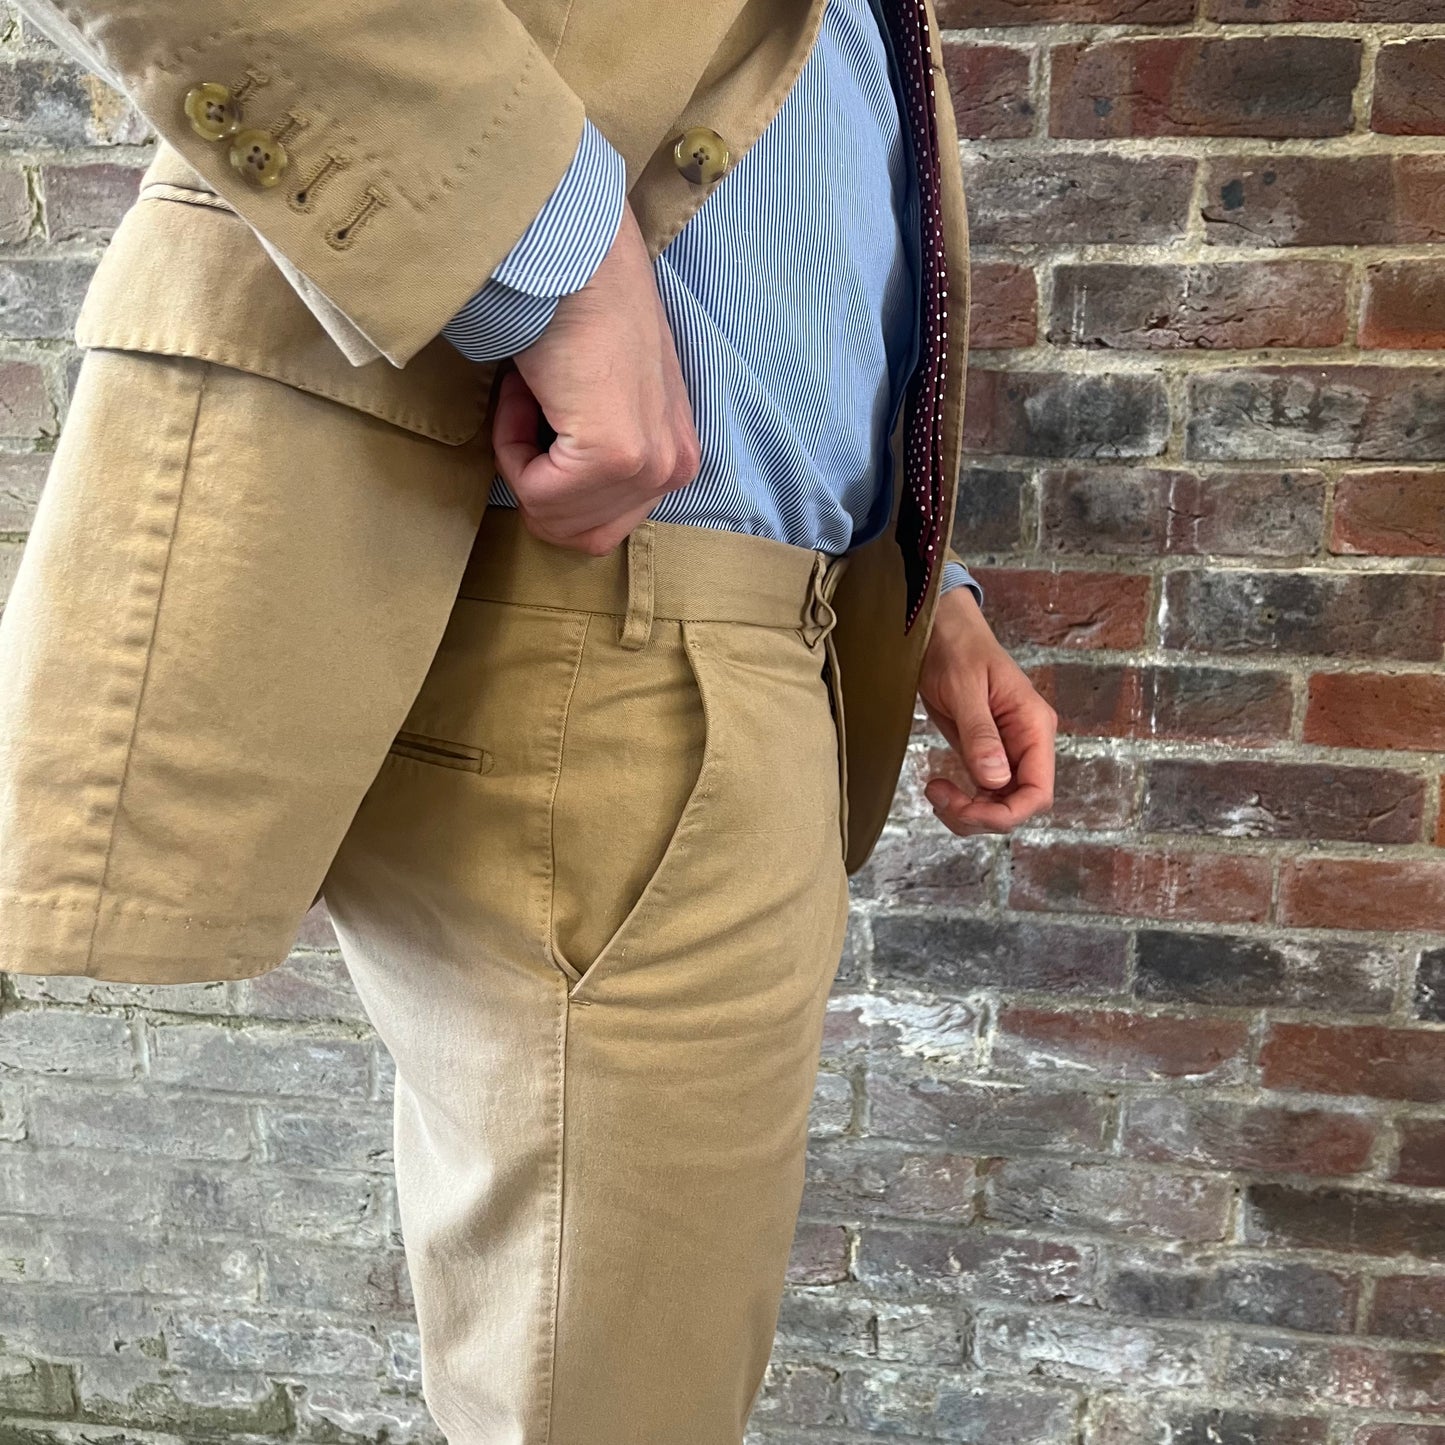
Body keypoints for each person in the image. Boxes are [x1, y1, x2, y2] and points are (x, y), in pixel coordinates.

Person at [0, 0, 1057, 1438]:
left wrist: (924, 582)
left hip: (742, 627)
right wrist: (552, 259)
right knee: (609, 1400)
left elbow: (803, 203)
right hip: (610, 628)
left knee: (621, 1363)